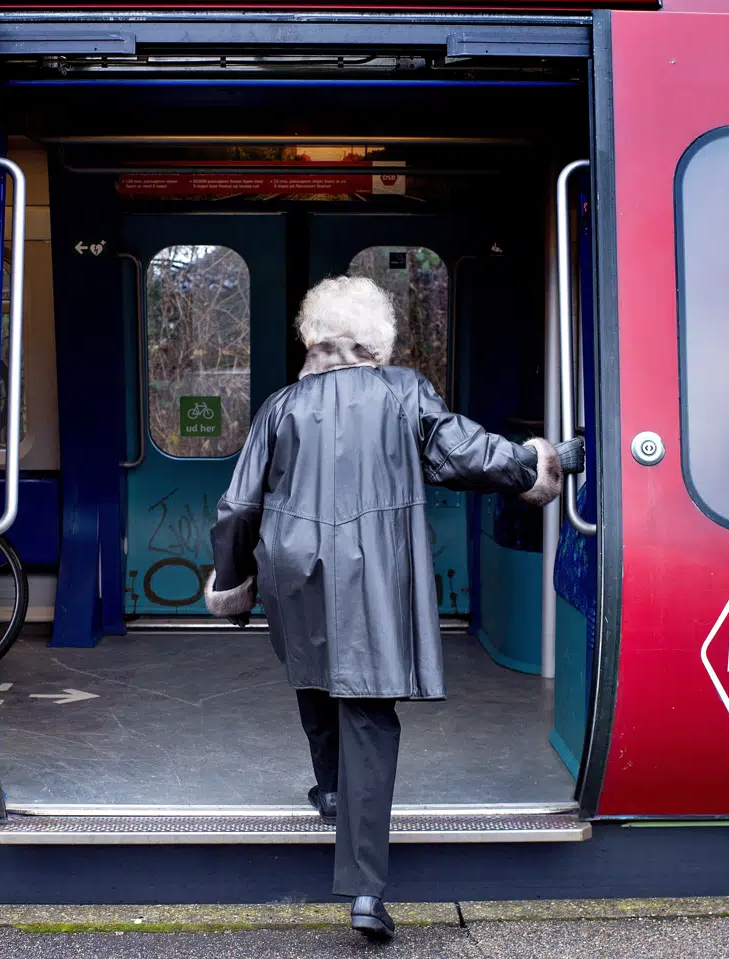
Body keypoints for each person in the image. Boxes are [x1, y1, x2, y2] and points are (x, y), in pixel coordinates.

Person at [204, 275, 583, 941]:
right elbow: (466, 453)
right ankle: (365, 890)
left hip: (292, 564)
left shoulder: (281, 405)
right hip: (372, 569)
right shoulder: (403, 390)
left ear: (313, 338)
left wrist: (232, 580)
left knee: (315, 678)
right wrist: (544, 461)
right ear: (376, 338)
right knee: (370, 714)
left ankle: (330, 791)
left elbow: (238, 504)